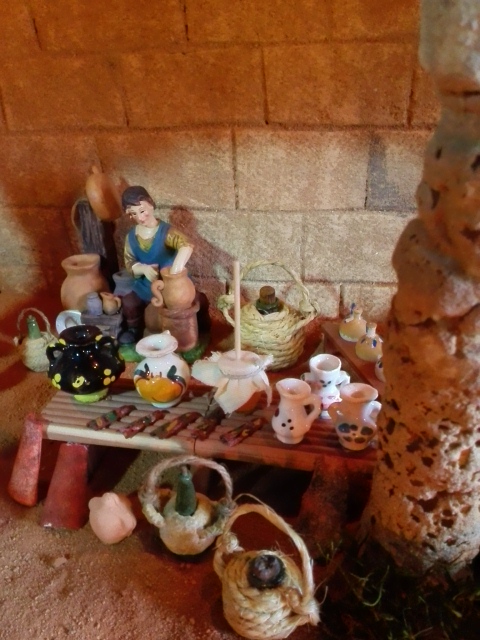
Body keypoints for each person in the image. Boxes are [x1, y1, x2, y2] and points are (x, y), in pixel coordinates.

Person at [119, 186, 194, 344]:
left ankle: (178, 334)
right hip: (145, 285)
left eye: (142, 211)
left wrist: (175, 272)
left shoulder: (166, 232)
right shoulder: (131, 237)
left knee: (176, 307)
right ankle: (134, 330)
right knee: (129, 302)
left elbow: (186, 245)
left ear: (151, 205)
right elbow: (129, 262)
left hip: (167, 287)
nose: (140, 218)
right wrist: (143, 269)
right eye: (133, 214)